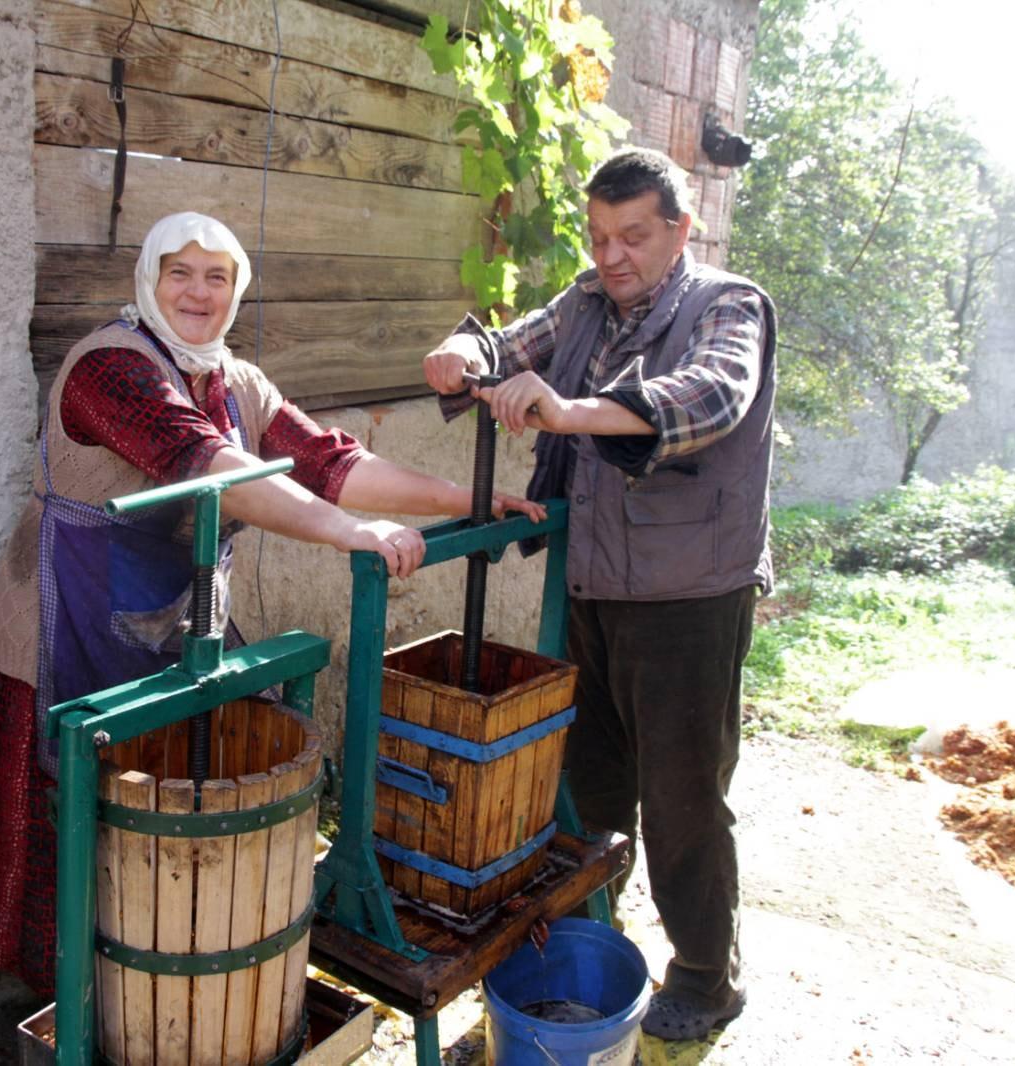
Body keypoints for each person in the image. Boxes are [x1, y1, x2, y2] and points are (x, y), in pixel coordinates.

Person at [0, 211, 543, 996]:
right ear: (149, 278)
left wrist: (467, 499)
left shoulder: (233, 379)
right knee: (64, 801)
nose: (199, 292)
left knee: (170, 786)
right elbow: (208, 464)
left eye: (218, 276)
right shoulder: (111, 367)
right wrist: (351, 534)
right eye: (180, 272)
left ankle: (163, 976)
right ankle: (62, 999)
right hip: (65, 608)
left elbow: (327, 462)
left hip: (172, 610)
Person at [422, 147, 776, 1041]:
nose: (612, 256)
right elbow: (513, 345)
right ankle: (591, 942)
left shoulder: (728, 306)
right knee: (592, 780)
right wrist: (466, 351)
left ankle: (703, 973)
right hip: (592, 583)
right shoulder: (584, 303)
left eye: (634, 236)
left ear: (680, 231)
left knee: (686, 794)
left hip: (692, 596)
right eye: (599, 235)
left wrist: (570, 410)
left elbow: (708, 398)